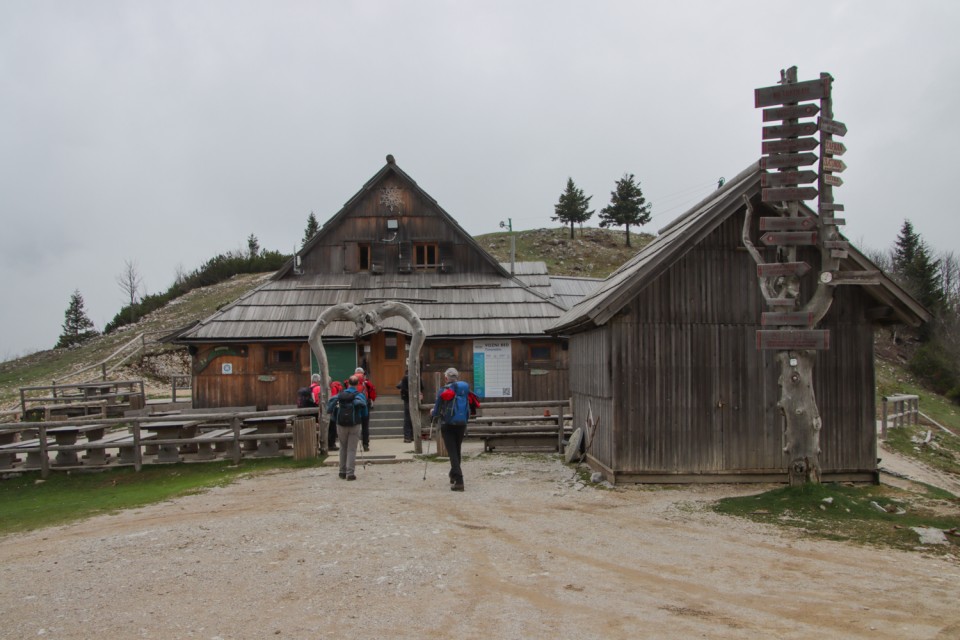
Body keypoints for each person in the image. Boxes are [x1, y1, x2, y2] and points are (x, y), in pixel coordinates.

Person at [431, 367, 472, 491]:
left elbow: (437, 411)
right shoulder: (464, 391)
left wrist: (432, 412)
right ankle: (453, 474)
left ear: (446, 378)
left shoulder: (443, 390)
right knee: (457, 449)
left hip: (447, 424)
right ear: (457, 378)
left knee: (452, 452)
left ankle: (459, 481)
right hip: (462, 423)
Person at [326, 375, 368, 480]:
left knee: (342, 447)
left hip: (340, 425)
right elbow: (364, 413)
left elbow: (332, 409)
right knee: (352, 449)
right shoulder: (360, 396)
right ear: (358, 384)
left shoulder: (340, 396)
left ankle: (342, 471)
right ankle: (350, 473)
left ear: (347, 383)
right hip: (355, 424)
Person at [396, 366, 423, 443]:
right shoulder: (418, 378)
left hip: (407, 400)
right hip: (415, 399)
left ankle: (408, 437)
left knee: (407, 418)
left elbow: (403, 389)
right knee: (414, 418)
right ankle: (412, 436)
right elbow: (422, 388)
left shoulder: (405, 378)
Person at [353, 367, 376, 452]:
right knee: (365, 426)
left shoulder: (350, 383)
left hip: (354, 408)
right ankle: (365, 444)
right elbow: (373, 395)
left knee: (354, 427)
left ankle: (353, 445)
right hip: (365, 407)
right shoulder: (367, 384)